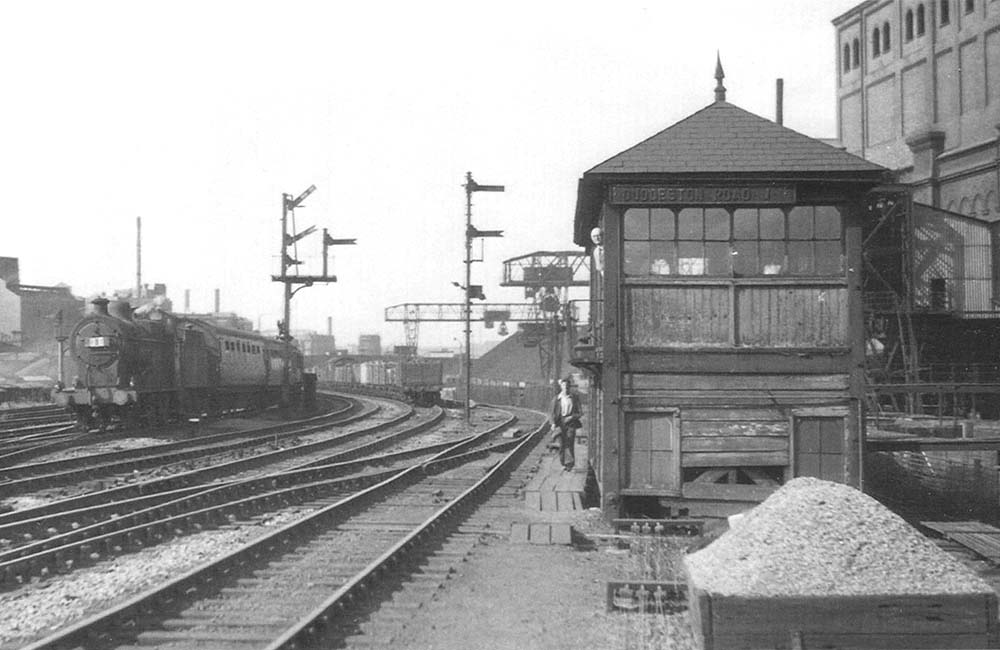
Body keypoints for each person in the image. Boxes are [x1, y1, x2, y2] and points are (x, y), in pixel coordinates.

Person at [549, 377, 582, 471]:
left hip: (571, 423)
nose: (566, 387)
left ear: (570, 387)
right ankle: (563, 462)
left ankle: (570, 464)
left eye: (567, 386)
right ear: (561, 386)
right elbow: (551, 413)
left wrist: (572, 417)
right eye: (564, 385)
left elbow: (580, 412)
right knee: (561, 444)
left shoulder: (574, 398)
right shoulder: (557, 399)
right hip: (560, 423)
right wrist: (552, 424)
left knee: (570, 442)